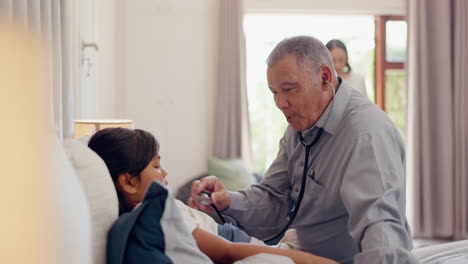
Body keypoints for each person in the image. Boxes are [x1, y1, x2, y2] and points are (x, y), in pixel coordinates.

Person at [190, 36, 418, 264]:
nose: (280, 102)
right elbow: (274, 198)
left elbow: (380, 226)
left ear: (324, 77)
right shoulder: (298, 128)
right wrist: (227, 200)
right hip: (302, 254)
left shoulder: (366, 135)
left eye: (288, 89)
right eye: (274, 92)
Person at [88, 127, 337, 264]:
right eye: (155, 166)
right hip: (236, 239)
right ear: (128, 182)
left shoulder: (146, 213)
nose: (164, 172)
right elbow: (227, 251)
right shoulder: (157, 214)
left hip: (235, 233)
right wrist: (311, 262)